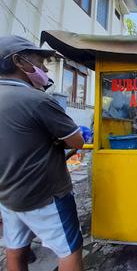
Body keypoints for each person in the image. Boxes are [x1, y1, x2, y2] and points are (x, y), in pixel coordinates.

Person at [0, 35, 84, 271]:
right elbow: (76, 140)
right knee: (69, 250)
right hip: (45, 196)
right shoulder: (37, 100)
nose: (45, 68)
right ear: (18, 61)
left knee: (15, 249)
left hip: (7, 196)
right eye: (39, 61)